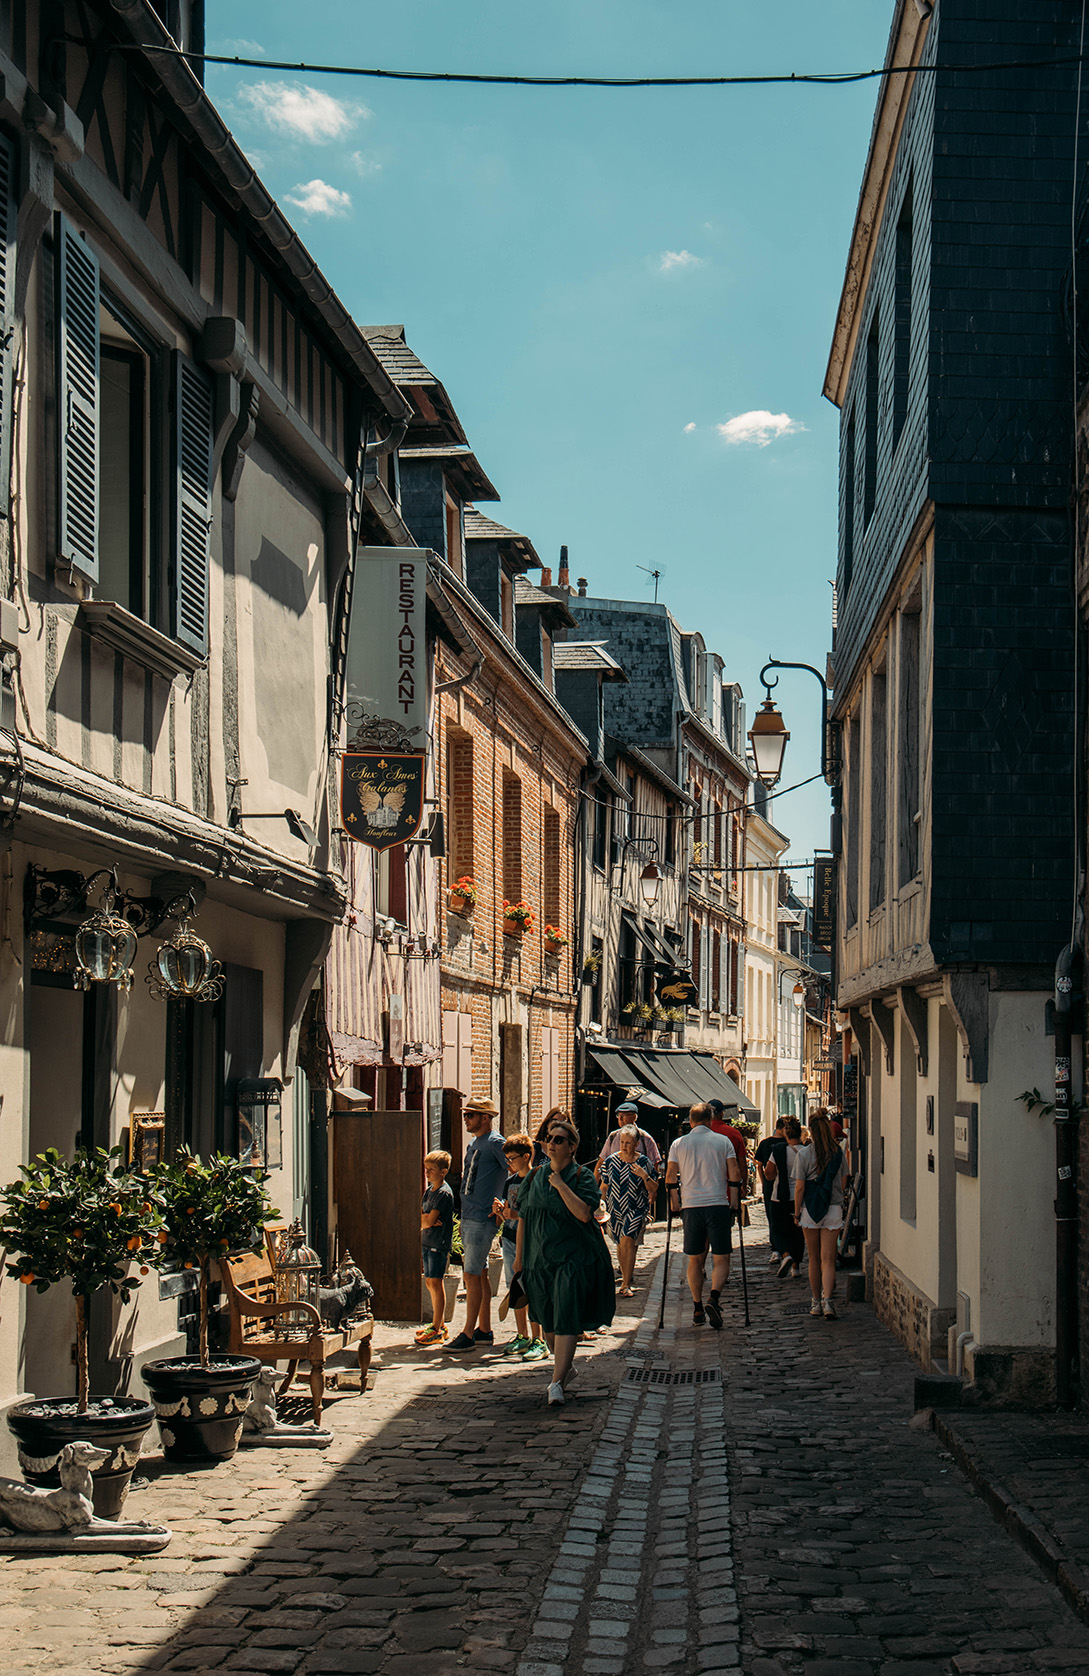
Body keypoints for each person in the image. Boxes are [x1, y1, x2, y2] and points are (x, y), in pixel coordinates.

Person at [515, 1116, 615, 1406]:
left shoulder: (581, 1177)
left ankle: (556, 1383)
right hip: (538, 1259)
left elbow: (585, 1213)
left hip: (573, 1258)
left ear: (572, 1147)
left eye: (559, 1139)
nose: (551, 1143)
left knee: (567, 1315)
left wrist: (560, 1185)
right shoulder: (534, 1177)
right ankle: (564, 1368)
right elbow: (523, 1218)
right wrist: (519, 1258)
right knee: (547, 1325)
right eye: (549, 1138)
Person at [664, 1102, 741, 1330]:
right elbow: (734, 1172)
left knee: (695, 1259)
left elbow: (670, 1176)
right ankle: (714, 1298)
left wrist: (675, 1204)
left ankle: (697, 1307)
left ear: (690, 1120)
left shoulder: (679, 1143)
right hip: (717, 1204)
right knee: (721, 1258)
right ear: (710, 1120)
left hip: (692, 1206)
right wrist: (734, 1203)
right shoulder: (722, 1141)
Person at [444, 1096, 508, 1352]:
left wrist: (504, 1201)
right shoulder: (474, 1144)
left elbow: (515, 1169)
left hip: (483, 1217)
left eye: (470, 1115)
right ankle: (484, 1329)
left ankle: (468, 1333)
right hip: (471, 1216)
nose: (466, 1119)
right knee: (479, 1273)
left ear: (485, 1117)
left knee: (470, 1275)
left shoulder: (496, 1143)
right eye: (465, 1115)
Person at [493, 1133, 547, 1360]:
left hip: (532, 1242)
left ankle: (539, 1338)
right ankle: (521, 1335)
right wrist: (501, 1212)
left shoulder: (537, 1179)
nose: (509, 1164)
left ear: (526, 1157)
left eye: (512, 1159)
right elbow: (509, 1212)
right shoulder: (510, 1182)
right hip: (510, 1238)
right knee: (515, 1287)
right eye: (507, 1160)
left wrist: (515, 1214)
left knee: (532, 1288)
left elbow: (537, 1214)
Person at [792, 1107, 849, 1320]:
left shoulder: (804, 1154)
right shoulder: (837, 1153)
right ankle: (828, 1302)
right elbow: (844, 1181)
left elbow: (799, 1188)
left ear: (812, 1132)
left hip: (810, 1209)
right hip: (833, 1208)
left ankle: (815, 1302)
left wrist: (797, 1213)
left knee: (813, 1258)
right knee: (828, 1259)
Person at [597, 1124, 658, 1296]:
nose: (624, 1146)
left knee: (628, 1240)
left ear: (636, 1143)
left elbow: (654, 1187)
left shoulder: (644, 1162)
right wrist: (600, 1207)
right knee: (620, 1244)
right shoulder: (611, 1162)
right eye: (622, 1142)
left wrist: (644, 1175)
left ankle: (625, 1284)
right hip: (615, 1209)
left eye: (628, 1143)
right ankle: (625, 1278)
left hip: (636, 1208)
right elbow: (604, 1187)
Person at [416, 1150, 455, 1345]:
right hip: (427, 1241)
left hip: (438, 1244)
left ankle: (438, 1329)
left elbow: (428, 1221)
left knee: (436, 1283)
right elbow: (424, 1217)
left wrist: (425, 1220)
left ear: (443, 1171)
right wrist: (425, 1219)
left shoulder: (443, 1194)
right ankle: (437, 1322)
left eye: (431, 1170)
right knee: (429, 1282)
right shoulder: (429, 1190)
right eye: (426, 1169)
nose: (427, 1173)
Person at [763, 1117, 805, 1279]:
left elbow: (769, 1174)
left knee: (779, 1230)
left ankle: (785, 1255)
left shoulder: (779, 1150)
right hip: (800, 1198)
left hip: (780, 1197)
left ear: (786, 1134)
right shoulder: (806, 1151)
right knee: (797, 1233)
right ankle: (796, 1267)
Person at [597, 1101, 664, 1175]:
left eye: (624, 1115)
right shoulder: (613, 1136)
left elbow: (654, 1165)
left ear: (634, 1117)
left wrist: (652, 1183)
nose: (620, 1119)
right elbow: (601, 1161)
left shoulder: (645, 1138)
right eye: (618, 1115)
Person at [754, 1117, 787, 1263]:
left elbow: (759, 1165)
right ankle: (785, 1248)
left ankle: (776, 1249)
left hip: (769, 1186)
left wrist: (763, 1181)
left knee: (772, 1218)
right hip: (786, 1186)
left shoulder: (765, 1143)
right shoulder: (788, 1144)